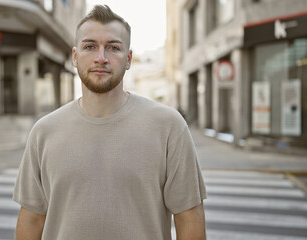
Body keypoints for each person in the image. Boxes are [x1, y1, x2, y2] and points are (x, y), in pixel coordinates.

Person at [13, 5, 207, 240]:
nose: (101, 58)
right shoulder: (43, 132)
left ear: (128, 59)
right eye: (90, 46)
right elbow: (32, 219)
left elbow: (188, 218)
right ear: (75, 57)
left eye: (113, 48)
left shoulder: (168, 126)